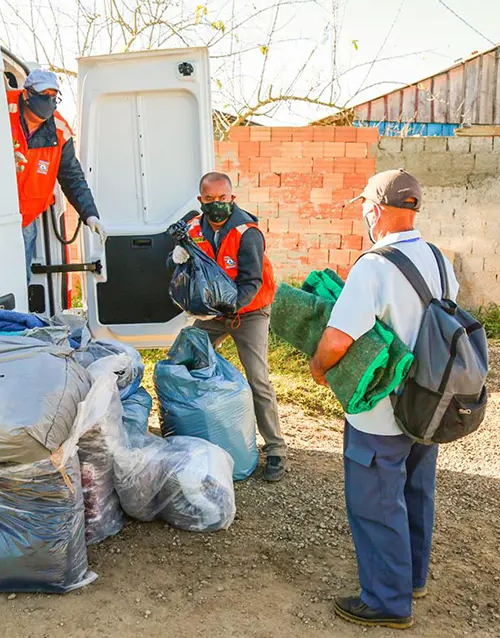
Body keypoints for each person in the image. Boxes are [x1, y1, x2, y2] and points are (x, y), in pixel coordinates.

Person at [309, 170, 458, 630]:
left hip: (381, 412)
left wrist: (318, 369)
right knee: (416, 492)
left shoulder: (374, 266)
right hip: (427, 403)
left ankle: (387, 602)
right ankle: (411, 578)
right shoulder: (438, 259)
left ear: (375, 209)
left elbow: (337, 339)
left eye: (364, 207)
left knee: (376, 503)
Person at [169, 172, 289, 482]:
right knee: (182, 357)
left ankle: (276, 449)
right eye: (210, 200)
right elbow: (183, 271)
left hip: (249, 313)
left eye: (223, 199)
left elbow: (251, 281)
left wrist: (225, 308)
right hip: (214, 314)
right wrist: (176, 258)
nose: (217, 205)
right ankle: (181, 433)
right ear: (201, 201)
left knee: (258, 378)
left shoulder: (247, 232)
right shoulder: (194, 229)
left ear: (232, 199)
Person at [8, 69, 106, 281]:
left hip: (25, 218)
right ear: (27, 94)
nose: (49, 102)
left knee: (17, 280)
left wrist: (90, 213)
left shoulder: (60, 131)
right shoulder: (2, 110)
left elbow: (72, 177)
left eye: (54, 97)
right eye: (44, 96)